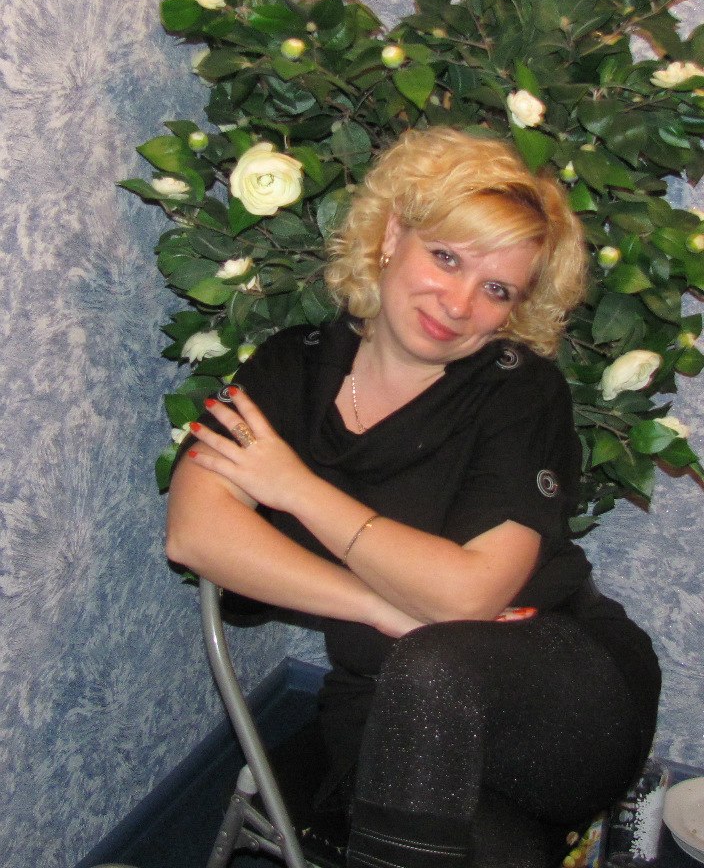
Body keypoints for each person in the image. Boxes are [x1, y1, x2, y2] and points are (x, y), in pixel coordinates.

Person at [166, 126, 661, 868]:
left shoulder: (520, 393)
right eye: (447, 257)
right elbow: (195, 532)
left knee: (435, 660)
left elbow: (468, 597)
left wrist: (296, 487)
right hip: (382, 700)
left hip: (555, 689)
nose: (458, 303)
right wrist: (376, 607)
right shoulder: (291, 368)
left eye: (497, 290)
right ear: (394, 234)